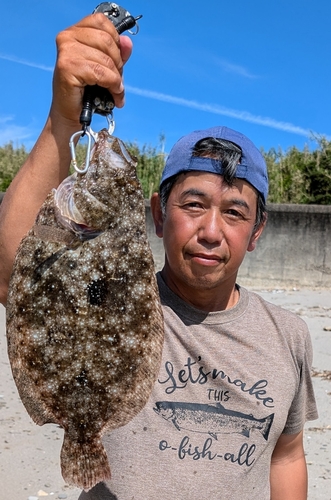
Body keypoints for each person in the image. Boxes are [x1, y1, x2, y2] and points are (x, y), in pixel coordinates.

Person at [0, 13, 318, 500]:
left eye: (235, 212)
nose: (211, 231)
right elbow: (11, 274)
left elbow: (287, 455)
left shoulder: (289, 337)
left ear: (257, 232)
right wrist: (65, 118)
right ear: (157, 214)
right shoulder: (120, 301)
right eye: (193, 204)